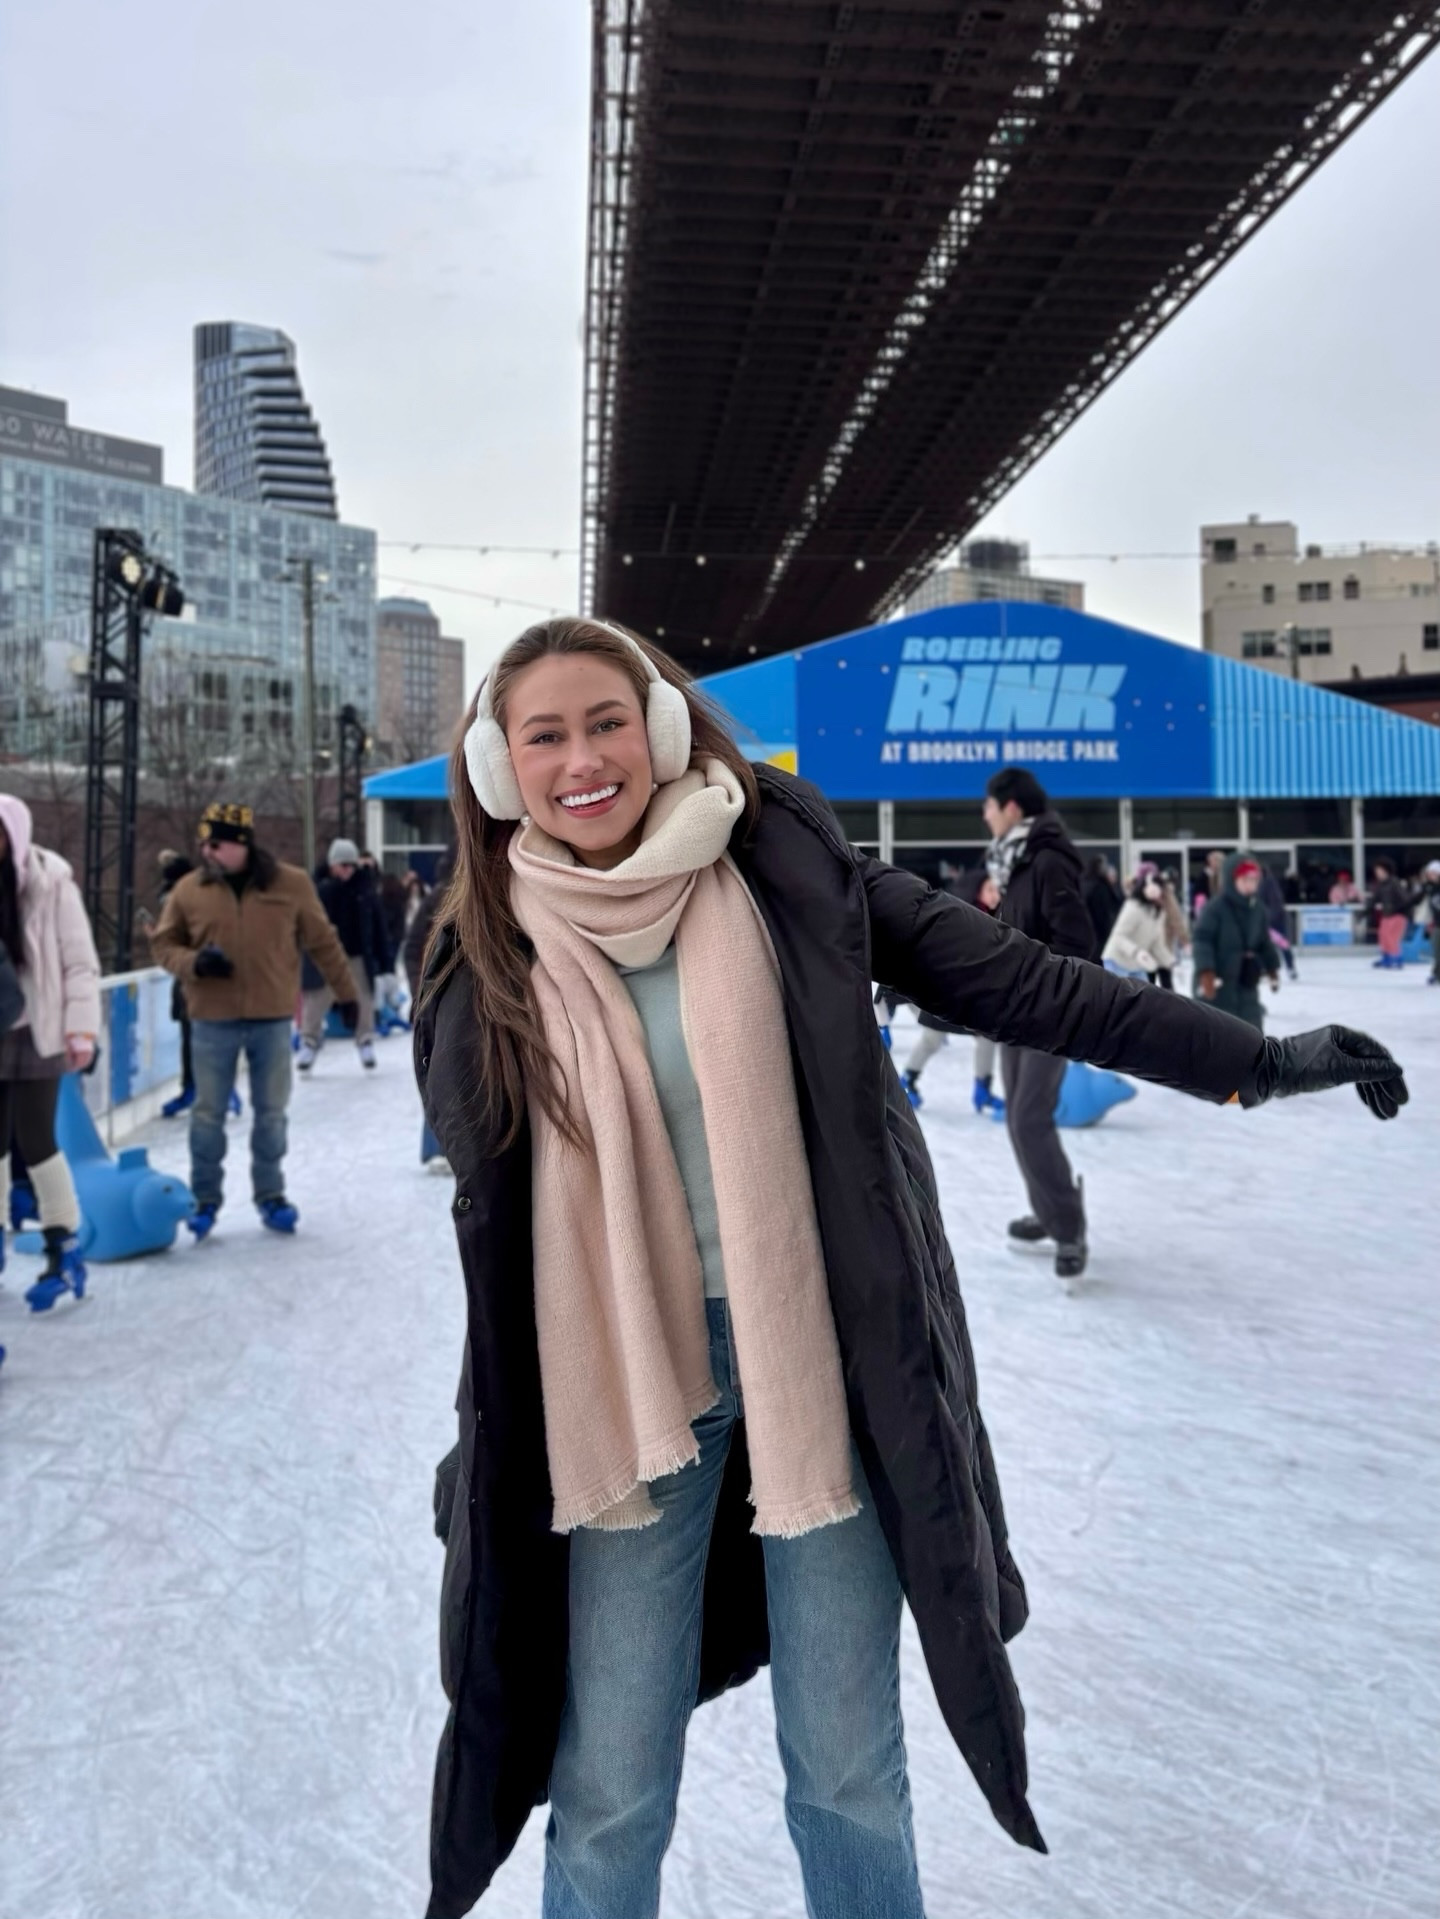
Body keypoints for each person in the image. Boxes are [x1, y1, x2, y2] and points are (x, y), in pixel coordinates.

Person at [412, 614, 1406, 1919]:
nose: (582, 756)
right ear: (499, 767)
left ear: (659, 729)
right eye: (545, 734)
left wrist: (1251, 1061)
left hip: (817, 1367)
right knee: (608, 1778)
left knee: (847, 1771)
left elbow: (1033, 984)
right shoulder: (484, 951)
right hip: (622, 1395)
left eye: (608, 719)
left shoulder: (791, 880)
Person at [150, 802, 359, 1239]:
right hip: (210, 1018)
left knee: (272, 1113)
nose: (207, 850)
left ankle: (271, 1194)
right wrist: (194, 963)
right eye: (203, 843)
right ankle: (205, 1199)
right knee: (207, 1114)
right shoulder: (190, 889)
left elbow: (324, 942)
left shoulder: (292, 885)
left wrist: (347, 995)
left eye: (216, 843)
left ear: (242, 843)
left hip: (271, 1017)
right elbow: (163, 944)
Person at [982, 768, 1095, 1281]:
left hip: (1049, 1013)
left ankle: (1069, 1227)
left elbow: (1075, 940)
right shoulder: (1014, 863)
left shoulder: (1048, 859)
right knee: (1016, 1118)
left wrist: (1049, 996)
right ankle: (1049, 1213)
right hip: (1015, 1010)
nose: (984, 815)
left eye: (989, 805)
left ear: (1011, 808)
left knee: (1030, 1118)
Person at [0, 794, 101, 1311]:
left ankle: (64, 1243)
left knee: (36, 1136)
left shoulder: (49, 881)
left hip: (39, 1026)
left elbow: (79, 962)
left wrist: (81, 1030)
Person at [298, 837, 392, 1070]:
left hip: (358, 955)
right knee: (317, 998)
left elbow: (378, 927)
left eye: (352, 865)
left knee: (363, 998)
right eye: (343, 865)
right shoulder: (319, 889)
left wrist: (387, 965)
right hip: (326, 955)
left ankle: (365, 1039)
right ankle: (309, 1040)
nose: (348, 870)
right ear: (332, 865)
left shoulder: (365, 889)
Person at [1192, 855, 1281, 1031]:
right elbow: (1202, 939)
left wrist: (1272, 969)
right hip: (1218, 983)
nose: (1250, 885)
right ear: (1232, 880)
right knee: (1217, 1032)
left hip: (1246, 979)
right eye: (1245, 880)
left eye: (1254, 880)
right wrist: (1206, 973)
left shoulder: (1258, 909)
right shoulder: (1215, 908)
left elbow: (1264, 942)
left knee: (1251, 1030)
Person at [1102, 866, 1175, 983]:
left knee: (1144, 997)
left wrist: (1169, 962)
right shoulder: (1133, 908)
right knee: (1120, 997)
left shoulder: (1158, 913)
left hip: (1136, 964)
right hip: (1117, 961)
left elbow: (1157, 943)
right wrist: (1137, 952)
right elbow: (1118, 936)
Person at [1258, 863, 1299, 980]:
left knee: (1283, 944)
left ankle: (1291, 968)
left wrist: (1269, 919)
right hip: (1264, 921)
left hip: (1275, 921)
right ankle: (1263, 970)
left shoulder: (1269, 883)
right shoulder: (1255, 884)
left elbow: (1275, 903)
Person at [1370, 860, 1411, 969]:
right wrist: (1366, 911)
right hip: (1386, 914)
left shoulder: (1394, 882)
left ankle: (1397, 958)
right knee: (1382, 935)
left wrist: (1402, 910)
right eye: (1376, 871)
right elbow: (1374, 899)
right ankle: (1386, 957)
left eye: (1380, 871)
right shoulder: (1381, 885)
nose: (1378, 873)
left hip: (1397, 914)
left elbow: (1405, 898)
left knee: (1391, 937)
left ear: (1386, 871)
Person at [1082, 854, 1123, 951]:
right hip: (1099, 934)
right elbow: (1103, 913)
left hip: (1088, 932)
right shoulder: (1100, 887)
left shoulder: (1084, 884)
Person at [1421, 859, 1440, 985]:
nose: (1430, 876)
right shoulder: (1430, 889)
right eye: (1429, 873)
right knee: (1437, 951)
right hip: (1437, 924)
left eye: (1433, 873)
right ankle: (1436, 973)